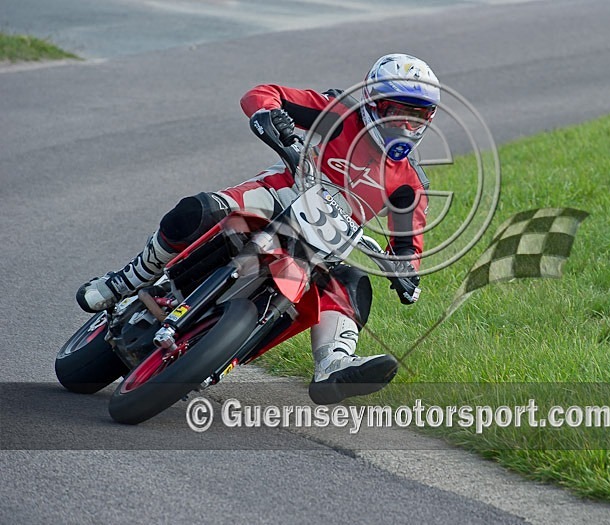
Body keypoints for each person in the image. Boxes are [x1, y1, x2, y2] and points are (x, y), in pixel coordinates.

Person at [76, 53, 440, 404]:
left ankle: (334, 363)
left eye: (417, 116)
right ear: (373, 103)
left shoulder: (409, 182)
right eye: (397, 112)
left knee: (354, 283)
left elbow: (409, 241)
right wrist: (269, 116)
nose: (406, 126)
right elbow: (265, 93)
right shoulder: (340, 114)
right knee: (199, 210)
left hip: (325, 244)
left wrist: (406, 270)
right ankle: (126, 280)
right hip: (280, 194)